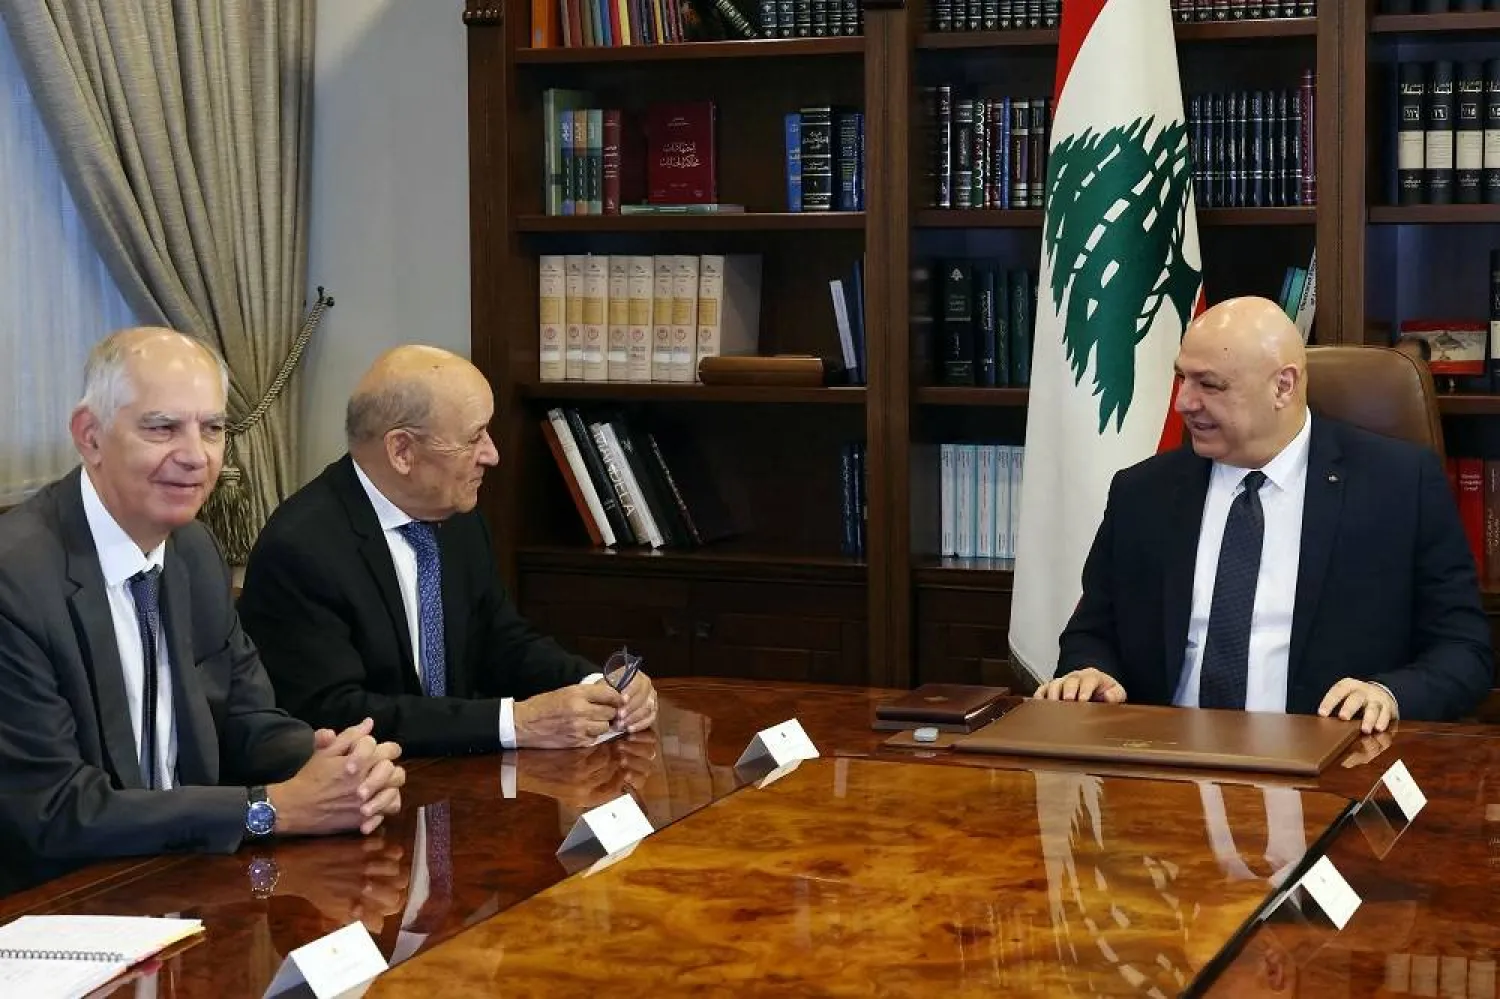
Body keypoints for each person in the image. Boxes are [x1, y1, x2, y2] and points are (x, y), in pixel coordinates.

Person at [0, 328, 405, 896]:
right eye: (162, 428)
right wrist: (267, 810)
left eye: (213, 428)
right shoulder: (15, 579)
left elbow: (243, 720)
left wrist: (337, 766)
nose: (195, 457)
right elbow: (54, 811)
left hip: (181, 882)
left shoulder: (193, 551)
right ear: (90, 437)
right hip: (54, 905)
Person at [1035, 296, 1491, 732]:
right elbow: (1091, 632)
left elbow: (1463, 650)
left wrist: (1388, 694)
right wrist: (1091, 673)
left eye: (1209, 384)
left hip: (1329, 767)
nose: (1184, 402)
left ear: (1283, 386)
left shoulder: (1398, 485)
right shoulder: (1143, 492)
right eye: (1182, 378)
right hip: (1165, 766)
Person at [237, 345, 658, 756]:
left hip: (459, 779)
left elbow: (500, 639)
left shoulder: (456, 515)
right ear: (402, 450)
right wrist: (516, 722)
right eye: (474, 438)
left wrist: (594, 686)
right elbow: (334, 713)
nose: (491, 455)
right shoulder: (301, 548)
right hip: (364, 794)